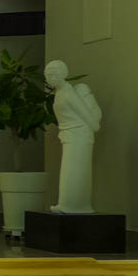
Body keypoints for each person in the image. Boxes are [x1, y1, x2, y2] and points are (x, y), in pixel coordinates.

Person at [47, 59, 101, 213]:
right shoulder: (60, 92)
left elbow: (88, 117)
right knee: (70, 171)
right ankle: (70, 204)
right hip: (69, 135)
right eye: (48, 75)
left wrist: (92, 128)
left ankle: (73, 205)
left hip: (79, 135)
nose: (51, 78)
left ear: (63, 74)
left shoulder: (69, 93)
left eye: (54, 74)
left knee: (75, 170)